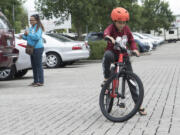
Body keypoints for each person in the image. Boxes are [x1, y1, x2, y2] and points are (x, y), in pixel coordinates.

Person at [102, 7, 147, 115]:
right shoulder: (111, 28)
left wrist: (135, 49)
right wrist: (109, 37)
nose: (122, 25)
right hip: (113, 54)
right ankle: (106, 77)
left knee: (131, 80)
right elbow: (105, 33)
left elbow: (131, 40)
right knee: (107, 55)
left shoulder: (126, 29)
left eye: (124, 22)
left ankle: (138, 105)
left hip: (124, 56)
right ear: (114, 21)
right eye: (119, 22)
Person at [20, 14, 45, 87]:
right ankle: (35, 81)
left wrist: (29, 34)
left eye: (32, 20)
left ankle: (41, 82)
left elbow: (36, 37)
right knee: (34, 66)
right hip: (31, 48)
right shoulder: (31, 28)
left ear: (36, 20)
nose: (30, 21)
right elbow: (28, 37)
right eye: (30, 20)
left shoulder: (38, 28)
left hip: (38, 48)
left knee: (38, 65)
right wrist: (23, 36)